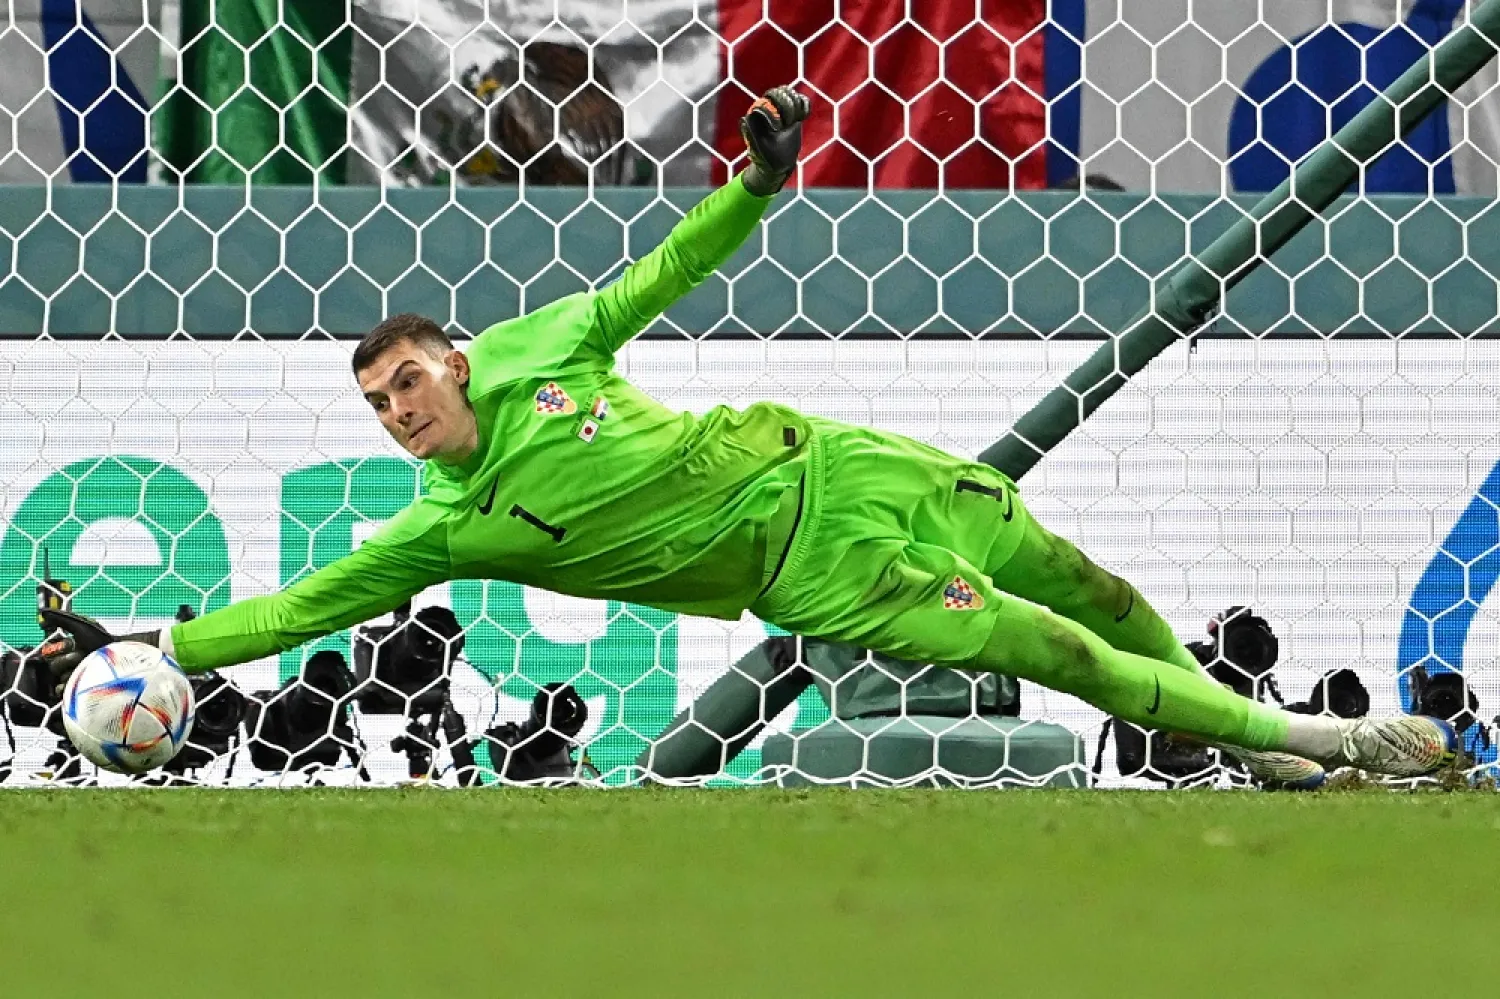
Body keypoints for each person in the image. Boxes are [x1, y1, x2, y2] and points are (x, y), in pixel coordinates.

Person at [35, 85, 1456, 786]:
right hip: (820, 569)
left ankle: (1259, 750)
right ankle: (1333, 739)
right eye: (376, 406)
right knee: (1056, 649)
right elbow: (295, 603)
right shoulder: (441, 527)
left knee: (1088, 583)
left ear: (452, 362)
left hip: (843, 458)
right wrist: (152, 647)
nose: (397, 413)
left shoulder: (540, 345)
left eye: (404, 382)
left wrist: (757, 188)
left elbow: (661, 271)